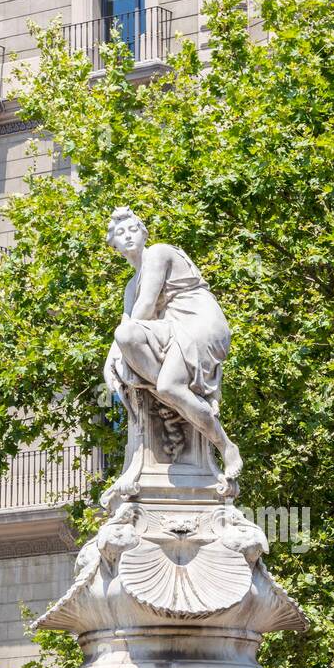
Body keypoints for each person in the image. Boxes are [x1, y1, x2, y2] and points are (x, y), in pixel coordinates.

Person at [103, 206, 242, 489]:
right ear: (114, 245)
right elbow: (127, 329)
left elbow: (144, 308)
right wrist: (112, 358)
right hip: (170, 330)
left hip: (198, 321)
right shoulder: (131, 285)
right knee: (129, 339)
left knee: (167, 386)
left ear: (144, 233)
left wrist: (120, 347)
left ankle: (226, 446)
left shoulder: (158, 252)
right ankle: (177, 400)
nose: (128, 236)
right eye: (120, 233)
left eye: (132, 229)